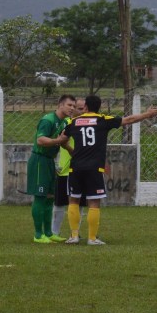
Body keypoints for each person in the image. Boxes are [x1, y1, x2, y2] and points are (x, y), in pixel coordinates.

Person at [64, 95, 157, 245]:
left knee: (73, 200)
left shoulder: (74, 122)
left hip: (75, 167)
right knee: (94, 202)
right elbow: (128, 120)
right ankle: (91, 238)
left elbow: (61, 139)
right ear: (98, 107)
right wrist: (147, 114)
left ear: (86, 108)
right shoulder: (103, 120)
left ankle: (74, 236)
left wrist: (50, 142)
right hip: (94, 167)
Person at [26, 94, 74, 243]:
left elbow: (62, 142)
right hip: (40, 160)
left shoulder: (64, 122)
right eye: (69, 105)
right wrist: (57, 141)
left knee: (50, 198)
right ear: (60, 105)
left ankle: (49, 232)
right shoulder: (48, 120)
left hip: (49, 161)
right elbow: (40, 140)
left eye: (73, 106)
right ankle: (38, 235)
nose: (72, 108)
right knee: (40, 197)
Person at [52, 98, 87, 239]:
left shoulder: (87, 125)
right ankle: (54, 232)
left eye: (83, 108)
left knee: (80, 203)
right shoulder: (67, 124)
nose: (81, 111)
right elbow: (58, 142)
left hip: (81, 170)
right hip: (66, 170)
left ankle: (75, 233)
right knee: (60, 203)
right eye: (78, 108)